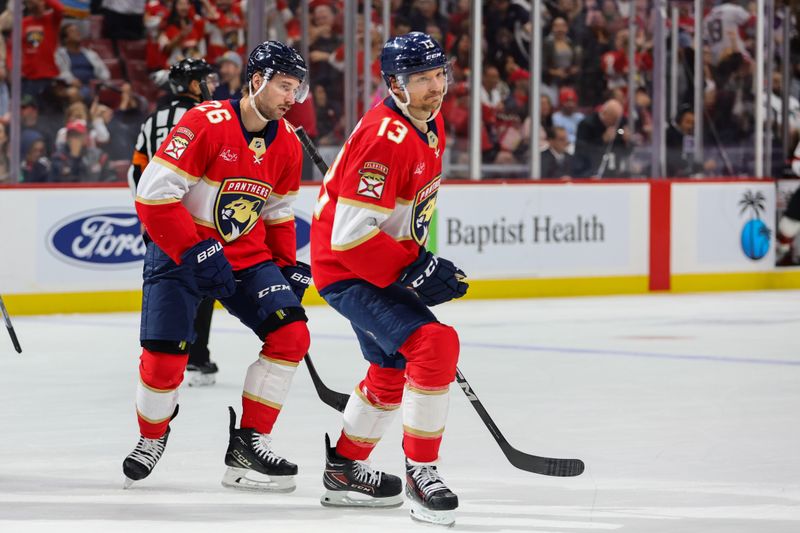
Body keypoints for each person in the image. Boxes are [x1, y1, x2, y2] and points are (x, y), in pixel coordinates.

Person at [122, 41, 312, 493]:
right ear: (256, 81)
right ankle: (152, 436)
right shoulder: (205, 122)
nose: (291, 98)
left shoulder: (287, 143)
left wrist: (286, 266)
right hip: (178, 251)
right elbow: (152, 195)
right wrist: (192, 250)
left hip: (245, 256)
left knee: (291, 334)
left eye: (296, 89)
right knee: (164, 363)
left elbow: (277, 214)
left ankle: (249, 444)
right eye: (284, 86)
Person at [310, 32, 468, 527]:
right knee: (434, 346)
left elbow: (400, 212)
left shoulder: (428, 122)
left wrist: (416, 259)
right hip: (350, 269)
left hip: (374, 262)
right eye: (421, 78)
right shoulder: (386, 137)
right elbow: (351, 236)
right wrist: (412, 267)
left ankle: (344, 469)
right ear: (395, 84)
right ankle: (423, 473)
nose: (435, 86)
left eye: (439, 74)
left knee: (388, 370)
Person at [128, 57, 221, 387]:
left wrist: (144, 214)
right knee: (205, 284)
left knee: (166, 285)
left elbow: (137, 170)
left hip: (159, 217)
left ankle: (162, 358)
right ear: (194, 85)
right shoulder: (210, 116)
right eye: (206, 79)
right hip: (200, 219)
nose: (212, 83)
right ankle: (197, 358)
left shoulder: (154, 119)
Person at [572, 98, 631, 178]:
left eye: (618, 119)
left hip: (613, 167)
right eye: (614, 118)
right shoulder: (587, 125)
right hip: (589, 168)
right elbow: (582, 149)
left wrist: (626, 138)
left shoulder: (619, 124)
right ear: (605, 113)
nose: (616, 122)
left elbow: (621, 135)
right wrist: (602, 140)